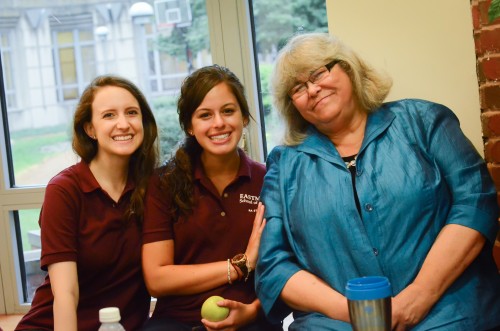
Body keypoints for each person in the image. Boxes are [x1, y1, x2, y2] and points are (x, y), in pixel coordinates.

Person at [254, 32, 500, 331]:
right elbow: (273, 265)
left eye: (319, 73)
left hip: (450, 314)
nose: (313, 89)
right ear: (292, 104)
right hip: (337, 324)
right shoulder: (284, 164)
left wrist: (420, 295)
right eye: (298, 87)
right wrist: (357, 313)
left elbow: (475, 201)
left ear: (348, 67)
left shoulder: (423, 121)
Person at [141, 65, 281, 331]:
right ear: (190, 127)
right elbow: (157, 279)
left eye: (228, 111)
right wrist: (241, 265)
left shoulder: (268, 180)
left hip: (251, 320)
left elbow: (282, 267)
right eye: (205, 115)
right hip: (176, 322)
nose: (219, 123)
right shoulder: (162, 184)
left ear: (244, 118)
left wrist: (252, 312)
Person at [16, 75, 159, 331]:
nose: (124, 124)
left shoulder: (153, 187)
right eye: (109, 115)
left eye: (131, 112)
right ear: (89, 129)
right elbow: (65, 294)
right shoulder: (64, 190)